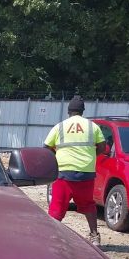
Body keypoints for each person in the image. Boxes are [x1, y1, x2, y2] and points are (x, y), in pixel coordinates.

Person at [44, 96, 106, 247]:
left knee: (57, 206)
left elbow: (46, 146)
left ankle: (51, 237)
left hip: (63, 172)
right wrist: (90, 156)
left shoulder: (60, 127)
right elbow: (102, 147)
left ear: (68, 111)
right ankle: (94, 236)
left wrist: (57, 156)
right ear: (83, 111)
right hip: (86, 173)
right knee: (88, 205)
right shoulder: (93, 127)